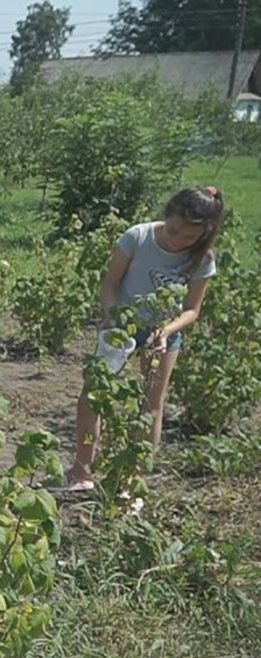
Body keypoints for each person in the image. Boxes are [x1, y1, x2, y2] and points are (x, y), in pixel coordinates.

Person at [58, 187, 223, 495]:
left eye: (189, 237)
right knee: (92, 396)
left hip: (163, 332)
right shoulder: (138, 237)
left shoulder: (202, 258)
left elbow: (192, 310)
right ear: (166, 215)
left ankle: (133, 485)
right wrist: (111, 316)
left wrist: (168, 330)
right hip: (122, 325)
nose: (178, 241)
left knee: (151, 405)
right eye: (173, 231)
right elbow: (111, 283)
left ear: (205, 233)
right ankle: (82, 472)